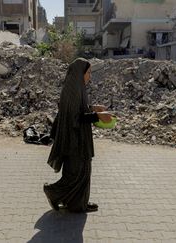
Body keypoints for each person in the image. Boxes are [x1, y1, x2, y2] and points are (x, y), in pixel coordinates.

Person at [43, 58, 112, 213]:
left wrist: (94, 108)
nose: (89, 76)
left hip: (78, 138)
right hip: (74, 139)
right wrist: (97, 116)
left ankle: (78, 204)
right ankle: (53, 192)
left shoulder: (76, 87)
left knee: (83, 171)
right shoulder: (73, 90)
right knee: (75, 174)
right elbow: (76, 117)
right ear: (80, 73)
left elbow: (79, 109)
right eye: (88, 73)